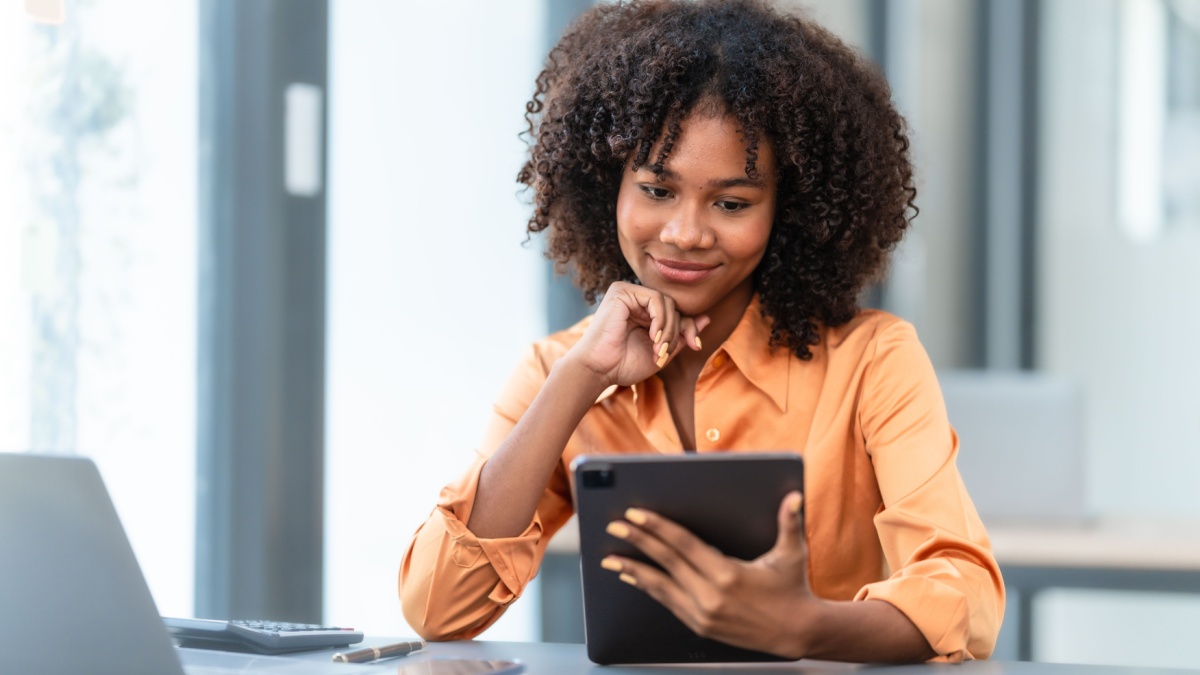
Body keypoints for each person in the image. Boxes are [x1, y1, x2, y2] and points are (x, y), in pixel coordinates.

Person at [399, 0, 1004, 663]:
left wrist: (802, 626)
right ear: (610, 186)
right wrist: (580, 379)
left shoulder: (872, 360)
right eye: (657, 189)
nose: (686, 233)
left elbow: (966, 596)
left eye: (731, 203)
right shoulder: (559, 372)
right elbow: (439, 607)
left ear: (788, 210)